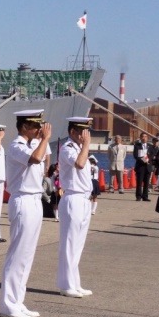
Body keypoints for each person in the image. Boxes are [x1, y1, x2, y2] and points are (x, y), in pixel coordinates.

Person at [0, 109, 50, 317]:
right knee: (18, 254)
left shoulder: (32, 144)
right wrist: (45, 139)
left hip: (35, 200)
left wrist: (42, 141)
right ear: (25, 126)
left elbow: (43, 161)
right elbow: (36, 159)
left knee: (27, 255)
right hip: (22, 200)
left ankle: (18, 301)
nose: (39, 129)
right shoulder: (16, 145)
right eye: (36, 126)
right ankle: (8, 304)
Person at [56, 116, 93, 299]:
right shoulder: (67, 148)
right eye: (81, 132)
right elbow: (79, 164)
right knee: (69, 243)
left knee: (78, 244)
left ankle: (75, 282)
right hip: (73, 197)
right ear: (72, 132)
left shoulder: (79, 148)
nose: (85, 136)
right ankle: (66, 284)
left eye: (87, 132)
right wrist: (86, 145)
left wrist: (84, 146)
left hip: (84, 199)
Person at [132, 132, 151, 201]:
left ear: (147, 138)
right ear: (140, 138)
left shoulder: (150, 146)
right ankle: (138, 196)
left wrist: (148, 160)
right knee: (139, 182)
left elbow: (152, 155)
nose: (144, 138)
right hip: (140, 166)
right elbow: (135, 156)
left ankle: (145, 196)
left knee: (147, 182)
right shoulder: (137, 146)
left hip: (148, 166)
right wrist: (143, 160)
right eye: (143, 136)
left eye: (145, 137)